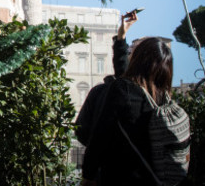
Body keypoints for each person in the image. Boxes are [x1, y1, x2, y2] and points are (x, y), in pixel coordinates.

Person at [81, 36, 179, 186]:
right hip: (157, 177)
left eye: (132, 51)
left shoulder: (123, 90)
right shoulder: (164, 97)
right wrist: (120, 39)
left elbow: (100, 135)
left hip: (122, 176)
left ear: (139, 60)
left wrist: (88, 174)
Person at [75, 10, 138, 146]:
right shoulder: (147, 98)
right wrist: (121, 37)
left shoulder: (101, 92)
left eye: (131, 50)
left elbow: (81, 131)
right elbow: (123, 72)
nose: (128, 52)